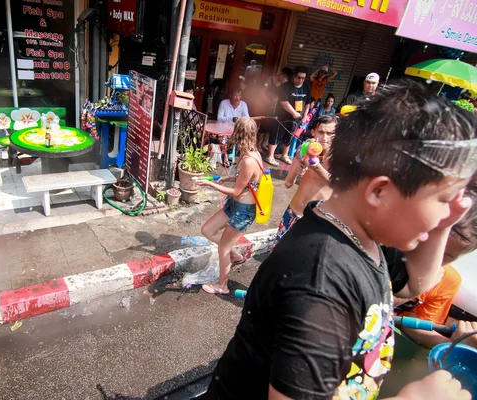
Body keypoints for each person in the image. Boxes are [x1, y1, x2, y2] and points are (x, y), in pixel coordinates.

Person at [204, 80, 476, 400]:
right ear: (379, 192)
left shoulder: (368, 238)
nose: (457, 209)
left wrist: (444, 223)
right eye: (443, 198)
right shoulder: (320, 281)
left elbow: (414, 282)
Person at [394, 181, 477, 348]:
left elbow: (411, 323)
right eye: (431, 242)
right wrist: (420, 283)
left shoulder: (447, 281)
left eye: (447, 255)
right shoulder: (390, 248)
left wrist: (456, 343)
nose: (434, 256)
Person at [197, 118, 264, 295]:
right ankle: (235, 255)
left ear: (239, 133)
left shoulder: (250, 159)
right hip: (235, 205)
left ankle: (222, 285)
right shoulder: (246, 153)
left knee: (223, 248)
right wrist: (227, 178)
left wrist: (210, 185)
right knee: (208, 230)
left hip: (243, 211)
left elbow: (235, 191)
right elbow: (245, 181)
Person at [278, 114, 337, 241]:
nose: (325, 138)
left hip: (317, 221)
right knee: (278, 257)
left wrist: (316, 167)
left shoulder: (340, 156)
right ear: (313, 132)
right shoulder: (305, 148)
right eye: (321, 132)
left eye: (330, 133)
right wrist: (296, 172)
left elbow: (338, 186)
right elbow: (288, 183)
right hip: (293, 213)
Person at [265, 66, 311, 166]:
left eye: (303, 78)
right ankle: (270, 156)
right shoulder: (286, 86)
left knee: (290, 136)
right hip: (283, 116)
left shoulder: (306, 86)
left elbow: (308, 103)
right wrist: (294, 113)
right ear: (294, 76)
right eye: (299, 77)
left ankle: (284, 155)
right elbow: (284, 102)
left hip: (297, 118)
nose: (300, 80)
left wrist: (305, 116)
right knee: (276, 135)